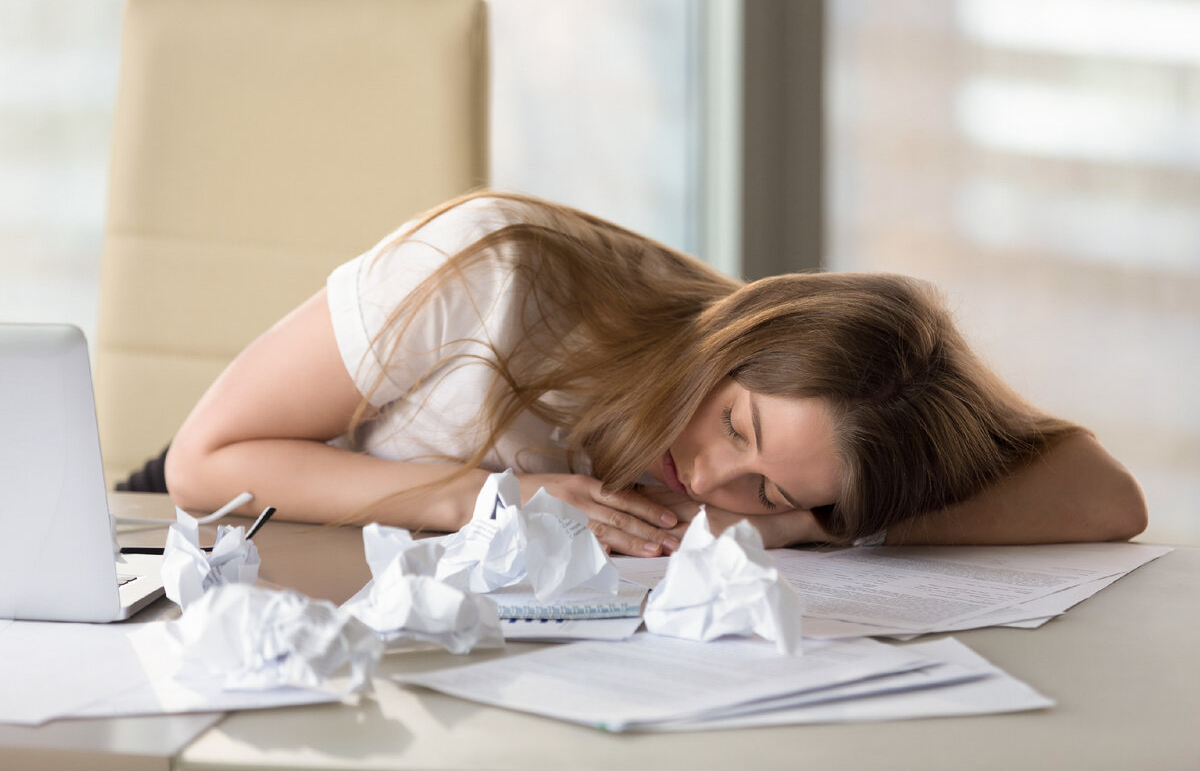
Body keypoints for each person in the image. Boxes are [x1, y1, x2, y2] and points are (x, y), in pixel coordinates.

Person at [164, 192, 1147, 557]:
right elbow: (206, 460)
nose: (714, 480)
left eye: (769, 484)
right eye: (736, 425)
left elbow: (1105, 499)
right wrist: (488, 500)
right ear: (732, 338)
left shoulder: (775, 476)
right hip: (275, 563)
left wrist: (805, 516)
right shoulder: (493, 272)